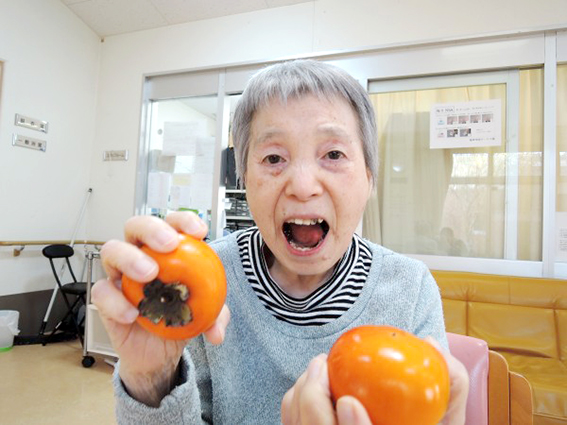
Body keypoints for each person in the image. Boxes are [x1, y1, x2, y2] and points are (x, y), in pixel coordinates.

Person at [92, 59, 468, 424]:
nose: (303, 187)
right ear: (244, 179)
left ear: (370, 179)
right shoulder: (195, 286)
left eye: (333, 154)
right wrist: (151, 380)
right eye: (274, 157)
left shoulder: (410, 287)